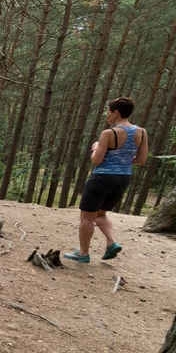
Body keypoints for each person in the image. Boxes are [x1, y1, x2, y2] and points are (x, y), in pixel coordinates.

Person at [64, 97, 148, 264]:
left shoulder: (108, 133)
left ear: (116, 113)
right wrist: (122, 159)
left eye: (108, 112)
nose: (106, 116)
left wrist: (95, 147)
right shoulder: (142, 133)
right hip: (123, 179)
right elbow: (141, 159)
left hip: (102, 177)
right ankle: (111, 243)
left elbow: (96, 160)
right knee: (101, 214)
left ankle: (83, 253)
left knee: (87, 217)